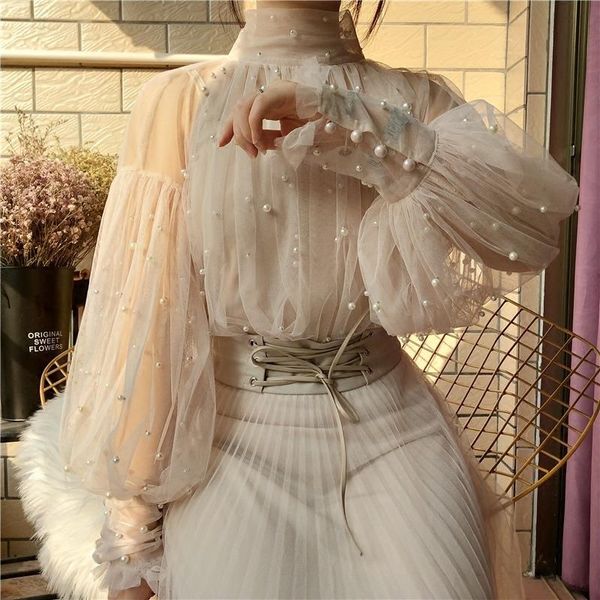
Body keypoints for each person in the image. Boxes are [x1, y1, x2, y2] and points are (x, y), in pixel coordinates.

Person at [14, 0, 580, 599]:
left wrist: (358, 123)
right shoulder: (182, 101)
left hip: (401, 435)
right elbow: (146, 322)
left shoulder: (417, 101)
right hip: (231, 443)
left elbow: (528, 235)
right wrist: (132, 538)